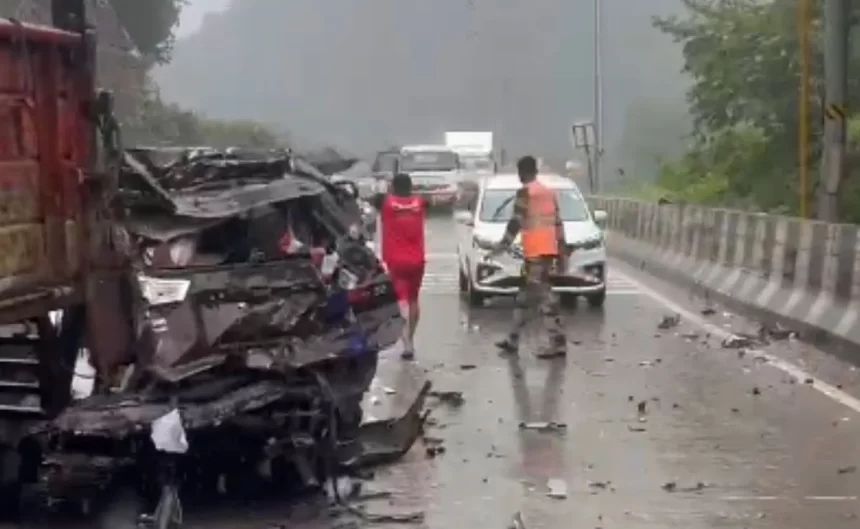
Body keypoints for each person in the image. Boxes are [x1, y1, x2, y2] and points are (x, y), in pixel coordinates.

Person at [486, 155, 567, 358]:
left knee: (544, 298)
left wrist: (501, 246)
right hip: (547, 251)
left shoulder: (524, 193)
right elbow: (559, 223)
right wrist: (562, 252)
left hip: (536, 253)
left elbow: (516, 222)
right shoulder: (549, 193)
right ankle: (513, 340)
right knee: (524, 297)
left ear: (522, 172)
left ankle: (558, 343)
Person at [372, 172, 426, 359]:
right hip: (418, 260)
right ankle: (411, 338)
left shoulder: (386, 203)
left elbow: (374, 198)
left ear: (393, 187)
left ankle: (407, 345)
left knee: (401, 301)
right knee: (414, 300)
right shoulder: (419, 203)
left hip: (396, 261)